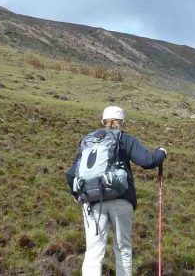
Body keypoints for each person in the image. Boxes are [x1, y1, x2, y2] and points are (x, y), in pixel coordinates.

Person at [66, 106, 167, 276]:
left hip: (92, 201)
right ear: (123, 122)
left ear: (102, 122)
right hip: (121, 199)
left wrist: (77, 194)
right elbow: (148, 161)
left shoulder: (88, 140)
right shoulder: (124, 138)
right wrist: (161, 153)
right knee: (123, 249)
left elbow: (71, 174)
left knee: (93, 252)